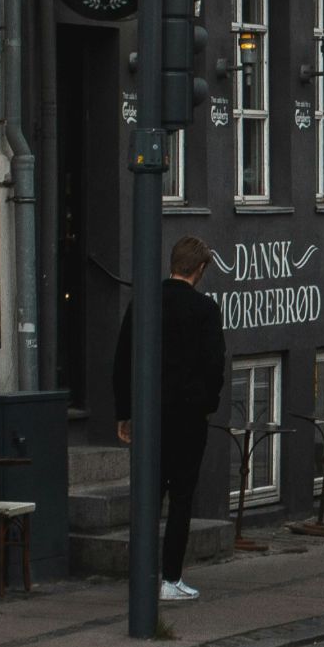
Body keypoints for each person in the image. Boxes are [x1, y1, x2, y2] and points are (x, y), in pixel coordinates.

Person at [113, 237, 226, 603]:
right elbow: (214, 366)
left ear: (173, 264)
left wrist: (124, 412)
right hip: (188, 417)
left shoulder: (144, 303)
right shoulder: (204, 309)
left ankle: (141, 572)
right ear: (201, 269)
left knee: (148, 493)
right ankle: (170, 577)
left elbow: (123, 359)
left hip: (150, 413)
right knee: (180, 498)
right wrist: (207, 404)